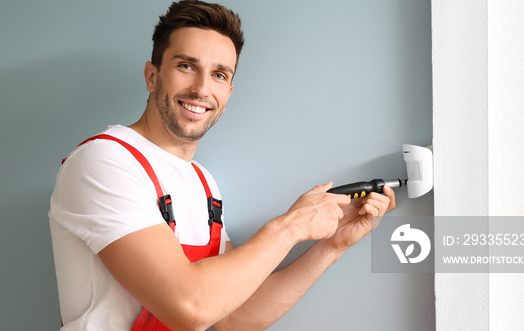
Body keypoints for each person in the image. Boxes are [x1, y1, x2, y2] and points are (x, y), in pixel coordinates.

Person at [48, 1, 396, 330]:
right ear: (152, 76)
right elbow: (189, 307)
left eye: (218, 75)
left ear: (228, 94)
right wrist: (291, 226)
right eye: (186, 66)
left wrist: (330, 246)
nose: (201, 88)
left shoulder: (203, 182)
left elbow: (234, 318)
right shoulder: (104, 161)